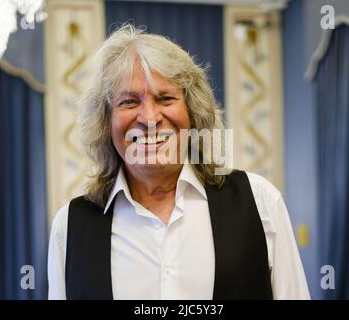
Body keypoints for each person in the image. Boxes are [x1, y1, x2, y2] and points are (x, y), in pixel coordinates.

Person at [48, 24, 310, 300]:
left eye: (165, 98)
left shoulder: (260, 201)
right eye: (128, 102)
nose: (149, 119)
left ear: (193, 113)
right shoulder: (70, 226)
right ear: (106, 122)